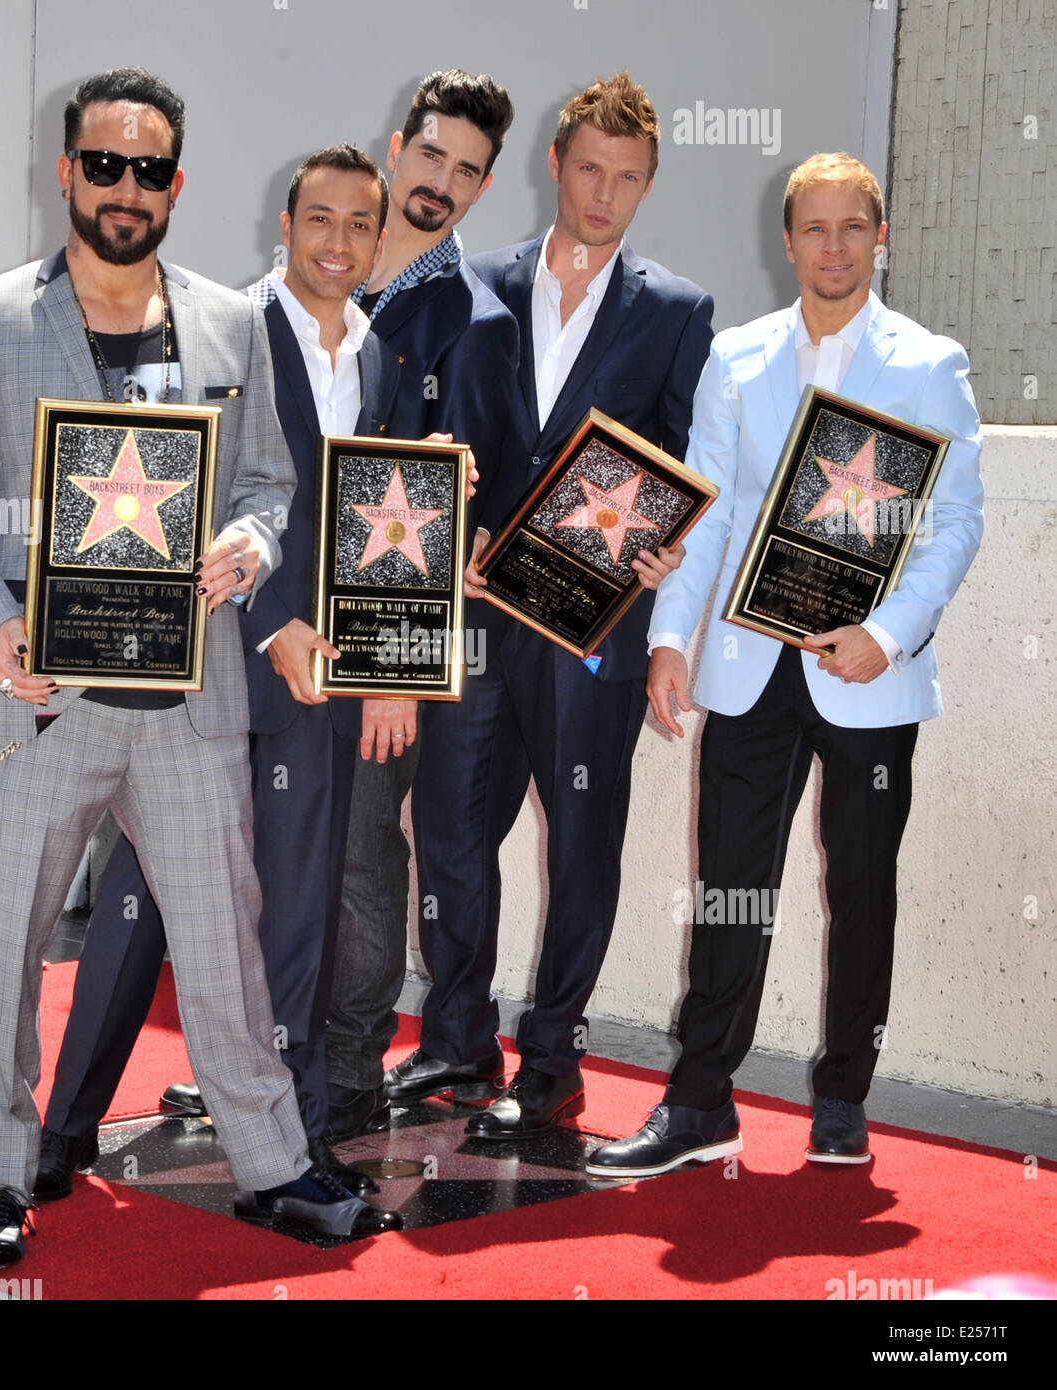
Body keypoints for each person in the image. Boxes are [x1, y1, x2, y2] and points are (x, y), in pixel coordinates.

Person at [0, 69, 398, 1268]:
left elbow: (273, 481)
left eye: (149, 169)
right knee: (11, 949)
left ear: (176, 183)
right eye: (104, 165)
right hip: (40, 698)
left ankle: (274, 1165)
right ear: (66, 172)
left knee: (225, 947)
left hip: (188, 703)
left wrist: (255, 535)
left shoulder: (233, 322)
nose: (126, 189)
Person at [34, 144, 422, 1199]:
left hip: (321, 691)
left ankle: (283, 1148)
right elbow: (165, 492)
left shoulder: (379, 356)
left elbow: (360, 516)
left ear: (379, 240)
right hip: (216, 667)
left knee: (291, 916)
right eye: (320, 219)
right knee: (132, 906)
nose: (338, 241)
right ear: (283, 224)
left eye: (359, 225)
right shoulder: (209, 331)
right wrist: (271, 621)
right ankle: (63, 1126)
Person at [585, 152, 984, 1178]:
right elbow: (704, 513)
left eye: (853, 228)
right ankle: (698, 1099)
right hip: (747, 667)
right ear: (787, 238)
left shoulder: (927, 364)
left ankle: (842, 1093)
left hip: (866, 676)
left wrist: (884, 635)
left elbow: (951, 526)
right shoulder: (737, 356)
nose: (834, 247)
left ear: (877, 235)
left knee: (861, 889)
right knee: (730, 889)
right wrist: (670, 639)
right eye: (815, 228)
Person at [387, 72, 714, 1139]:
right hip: (478, 614)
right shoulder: (470, 286)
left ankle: (555, 1054)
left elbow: (677, 458)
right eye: (588, 170)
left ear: (648, 185)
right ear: (554, 165)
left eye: (626, 179)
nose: (603, 194)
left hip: (590, 632)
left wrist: (661, 545)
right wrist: (448, 508)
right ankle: (454, 1038)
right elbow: (427, 437)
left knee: (581, 839)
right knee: (448, 826)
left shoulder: (674, 311)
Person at [321, 70, 521, 1144]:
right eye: (431, 154)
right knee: (291, 842)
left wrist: (397, 659)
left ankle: (399, 1057)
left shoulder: (472, 319)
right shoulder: (323, 272)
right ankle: (277, 1052)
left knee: (395, 844)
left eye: (466, 168)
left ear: (485, 185)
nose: (441, 180)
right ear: (396, 144)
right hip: (293, 621)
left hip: (400, 631)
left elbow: (458, 502)